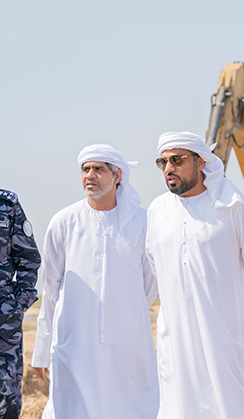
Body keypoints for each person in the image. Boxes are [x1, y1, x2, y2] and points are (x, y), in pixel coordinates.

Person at [146, 132, 244, 419]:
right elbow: (158, 266)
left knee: (230, 408)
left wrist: (236, 316)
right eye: (163, 162)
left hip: (225, 339)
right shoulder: (157, 211)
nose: (169, 168)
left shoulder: (233, 206)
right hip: (176, 339)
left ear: (201, 162)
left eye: (177, 160)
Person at [31, 144, 159, 419]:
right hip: (76, 343)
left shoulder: (142, 222)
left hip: (127, 345)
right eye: (85, 169)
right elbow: (50, 289)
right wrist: (41, 351)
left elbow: (150, 283)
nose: (90, 174)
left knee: (130, 407)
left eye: (99, 169)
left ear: (117, 176)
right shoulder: (64, 222)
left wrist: (123, 311)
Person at [0, 187, 40, 418]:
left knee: (0, 402)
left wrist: (17, 306)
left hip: (1, 328)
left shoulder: (4, 205)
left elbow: (29, 258)